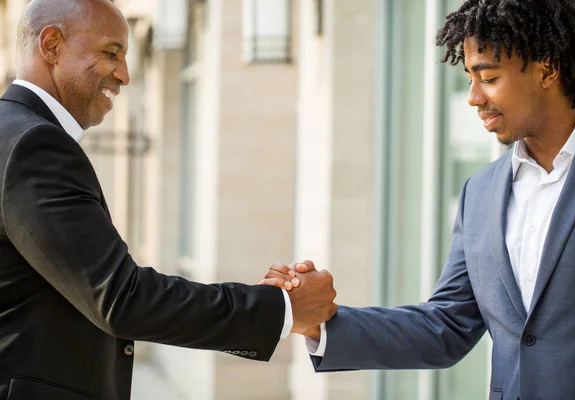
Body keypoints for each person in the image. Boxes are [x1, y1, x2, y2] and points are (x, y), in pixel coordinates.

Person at [0, 0, 337, 399]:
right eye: (111, 52)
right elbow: (121, 298)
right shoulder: (36, 146)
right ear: (52, 45)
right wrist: (282, 309)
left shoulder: (13, 134)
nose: (124, 75)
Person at [265, 0, 575, 398]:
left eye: (488, 77)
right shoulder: (481, 193)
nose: (473, 97)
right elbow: (447, 327)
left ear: (547, 68)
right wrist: (317, 320)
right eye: (469, 79)